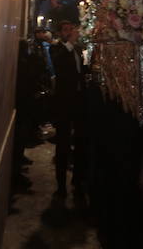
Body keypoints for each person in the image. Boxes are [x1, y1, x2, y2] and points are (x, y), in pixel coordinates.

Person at [48, 21, 86, 199]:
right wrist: (70, 42)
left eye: (71, 29)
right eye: (66, 30)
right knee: (62, 144)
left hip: (79, 101)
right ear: (60, 33)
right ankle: (60, 185)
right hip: (64, 103)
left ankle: (77, 181)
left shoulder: (78, 50)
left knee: (79, 143)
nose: (70, 32)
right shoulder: (56, 49)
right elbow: (59, 64)